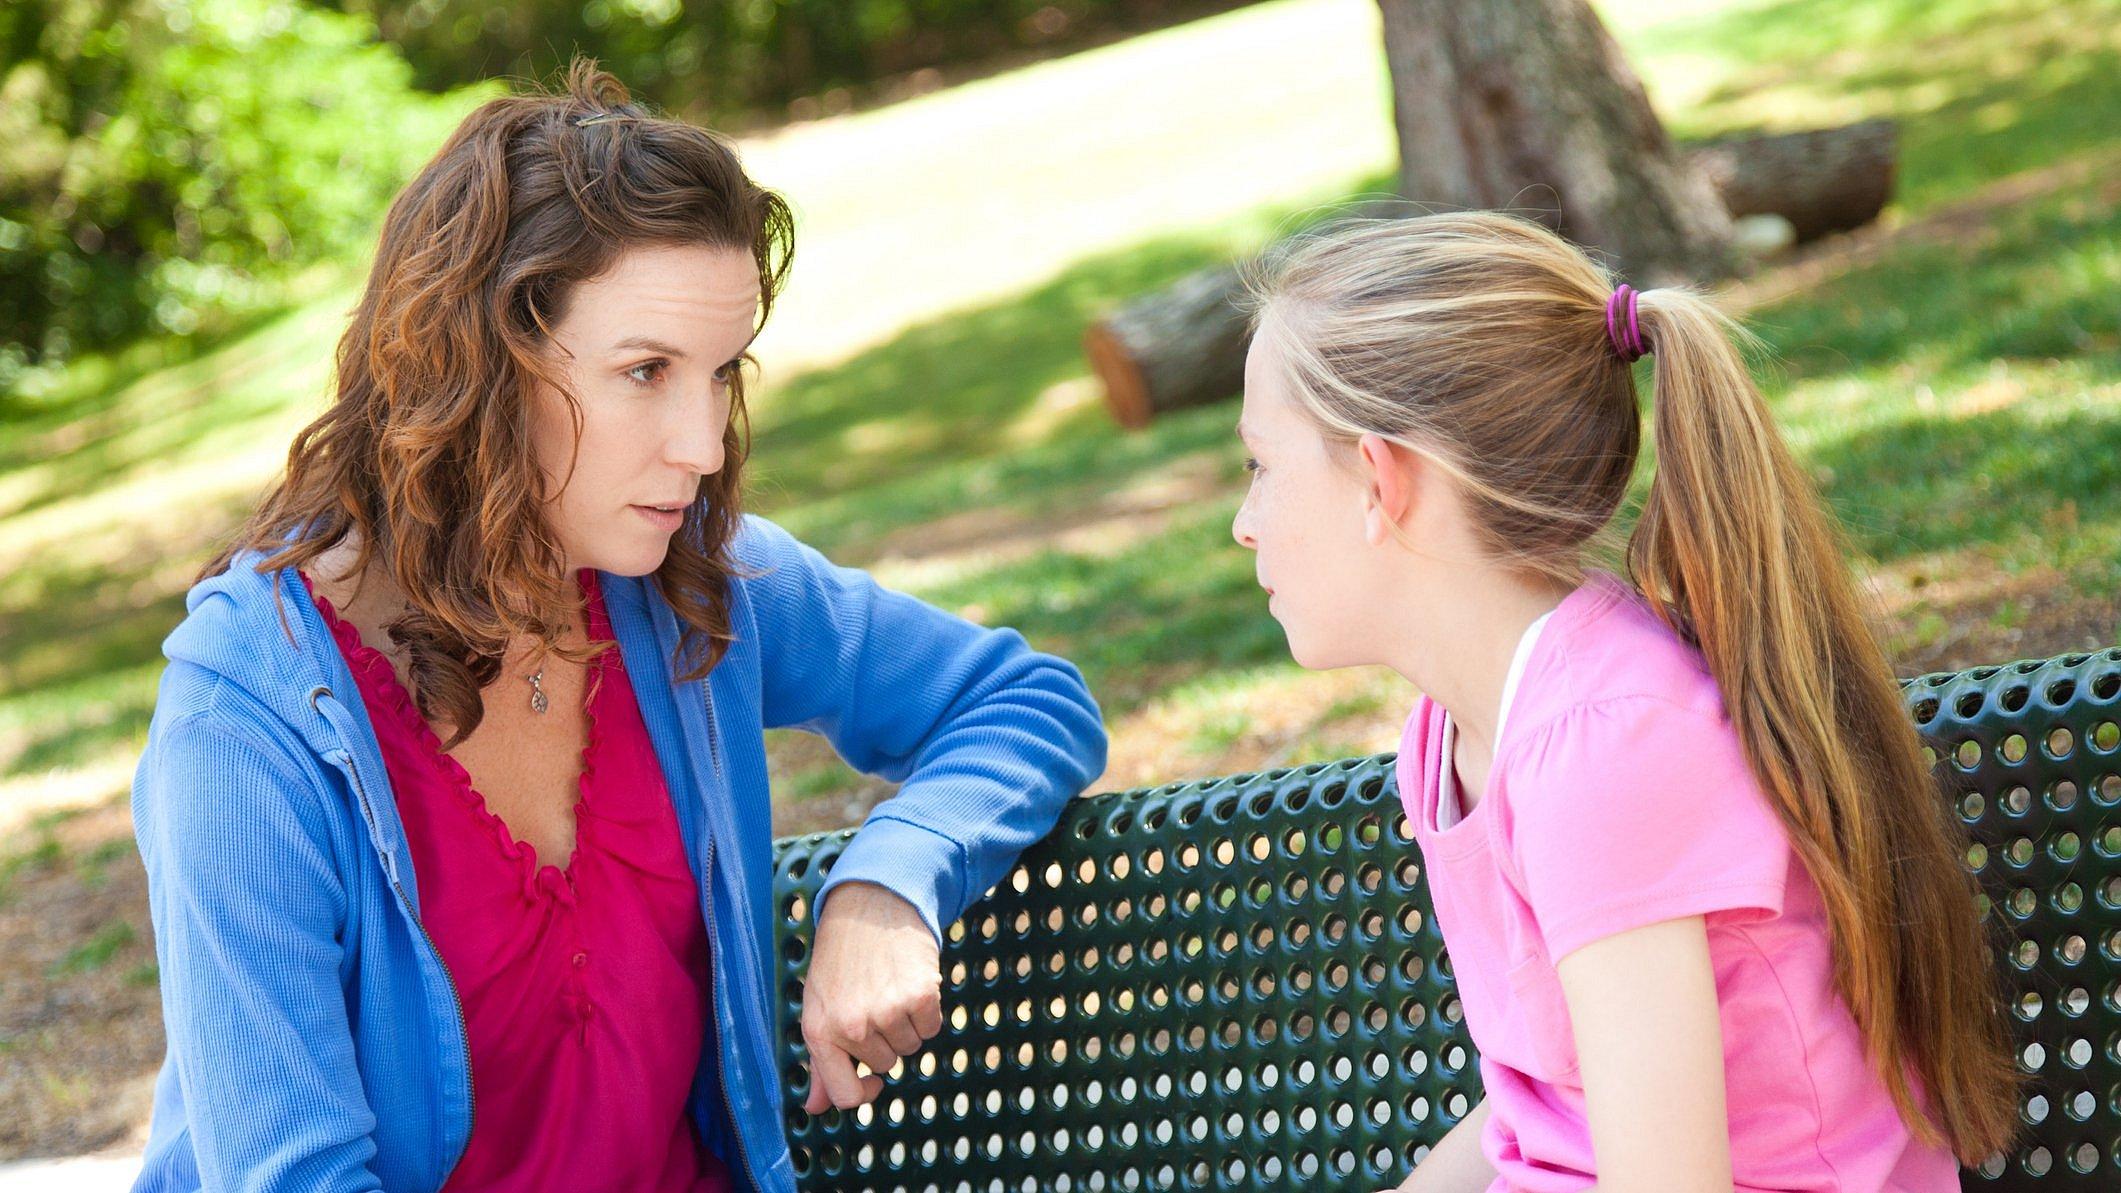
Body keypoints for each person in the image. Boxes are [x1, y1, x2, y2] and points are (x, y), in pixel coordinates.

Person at [128, 60, 1106, 1193]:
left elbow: (1023, 699)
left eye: (721, 372)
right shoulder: (248, 722)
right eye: (646, 371)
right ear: (482, 368)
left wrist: (890, 878)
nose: (701, 444)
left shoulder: (688, 583)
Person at [1230, 210, 2021, 1191]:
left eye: (1262, 465)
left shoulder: (1603, 744)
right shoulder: (1455, 731)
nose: (1244, 523)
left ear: (1379, 480)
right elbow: (1547, 1098)